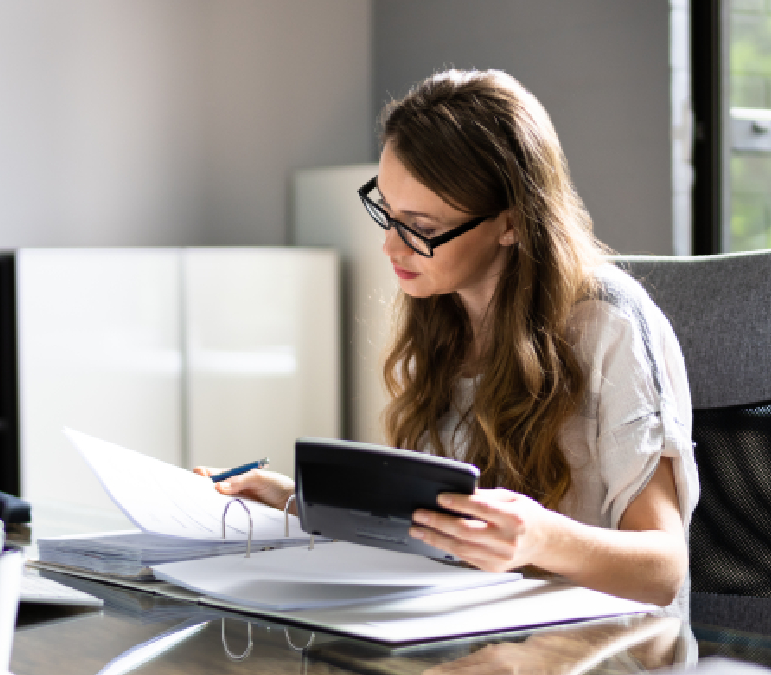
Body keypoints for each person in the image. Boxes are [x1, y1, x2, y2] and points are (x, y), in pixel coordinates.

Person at [195, 69, 699, 613]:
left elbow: (663, 570)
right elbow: (428, 525)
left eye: (422, 228)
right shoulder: (439, 314)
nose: (391, 246)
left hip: (594, 649)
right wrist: (297, 502)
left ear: (511, 223)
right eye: (386, 211)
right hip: (469, 633)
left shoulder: (610, 325)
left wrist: (542, 539)